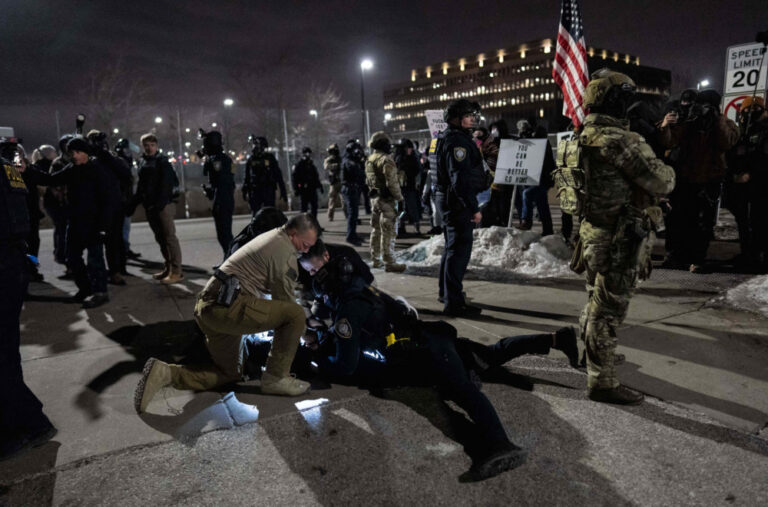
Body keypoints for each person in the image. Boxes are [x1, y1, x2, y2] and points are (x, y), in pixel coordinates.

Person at [303, 252, 579, 481]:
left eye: (324, 295)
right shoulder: (365, 289)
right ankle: (555, 339)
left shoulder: (349, 311)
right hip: (430, 338)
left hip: (426, 353)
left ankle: (500, 445)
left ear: (332, 290)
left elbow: (345, 365)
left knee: (464, 391)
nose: (322, 300)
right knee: (488, 355)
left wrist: (318, 357)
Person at [561, 68, 675, 404]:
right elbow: (663, 182)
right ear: (615, 101)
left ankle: (592, 357)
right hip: (619, 238)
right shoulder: (621, 140)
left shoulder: (579, 136)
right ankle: (603, 382)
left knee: (596, 300)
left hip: (592, 233)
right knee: (607, 311)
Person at [134, 213, 321, 413]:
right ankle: (276, 378)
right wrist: (306, 333)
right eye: (305, 244)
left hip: (210, 308)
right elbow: (286, 305)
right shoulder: (284, 251)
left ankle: (165, 374)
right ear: (293, 233)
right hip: (228, 307)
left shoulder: (273, 238)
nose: (306, 250)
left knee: (229, 372)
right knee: (295, 315)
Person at [0, 141, 57, 461]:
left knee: (3, 352)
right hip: (12, 264)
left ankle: (23, 425)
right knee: (5, 351)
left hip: (6, 266)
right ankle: (28, 419)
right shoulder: (8, 170)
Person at [659, 89, 739, 272]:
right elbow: (669, 142)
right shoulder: (691, 120)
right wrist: (667, 125)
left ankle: (697, 259)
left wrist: (716, 119)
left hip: (710, 180)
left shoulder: (726, 123)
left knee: (703, 224)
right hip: (686, 178)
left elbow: (726, 142)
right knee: (680, 219)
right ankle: (677, 256)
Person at [43, 137, 112, 308]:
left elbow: (107, 200)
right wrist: (26, 170)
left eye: (77, 152)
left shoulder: (97, 170)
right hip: (75, 221)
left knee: (95, 260)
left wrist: (103, 226)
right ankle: (86, 288)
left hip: (94, 222)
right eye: (71, 152)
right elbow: (52, 179)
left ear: (85, 153)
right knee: (72, 257)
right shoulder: (72, 169)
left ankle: (100, 292)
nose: (73, 156)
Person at [435, 99, 488, 316]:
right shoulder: (457, 141)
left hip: (450, 200)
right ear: (456, 119)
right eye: (467, 115)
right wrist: (473, 208)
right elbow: (460, 180)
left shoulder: (452, 137)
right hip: (457, 203)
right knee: (458, 252)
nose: (472, 119)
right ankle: (454, 303)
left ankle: (447, 294)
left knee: (451, 250)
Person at [128, 133, 183, 284]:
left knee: (169, 238)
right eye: (146, 145)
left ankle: (177, 271)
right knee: (160, 239)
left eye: (152, 145)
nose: (149, 147)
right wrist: (134, 204)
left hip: (163, 206)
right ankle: (168, 267)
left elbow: (167, 185)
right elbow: (142, 186)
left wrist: (160, 204)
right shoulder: (142, 161)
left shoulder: (162, 161)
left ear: (156, 146)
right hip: (151, 206)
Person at [725, 96, 768, 273]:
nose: (748, 114)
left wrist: (751, 173)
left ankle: (760, 256)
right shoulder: (745, 129)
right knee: (743, 221)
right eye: (745, 110)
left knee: (760, 221)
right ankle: (747, 253)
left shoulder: (765, 129)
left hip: (761, 183)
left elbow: (764, 158)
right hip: (742, 184)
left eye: (753, 109)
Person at [87, 130, 132, 286]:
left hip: (113, 206)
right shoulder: (89, 161)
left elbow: (126, 174)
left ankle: (117, 271)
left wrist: (104, 153)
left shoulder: (111, 159)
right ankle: (102, 272)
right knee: (98, 242)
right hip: (96, 207)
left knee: (115, 240)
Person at [365, 131, 406, 272]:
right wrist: (400, 199)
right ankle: (389, 262)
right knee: (388, 231)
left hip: (375, 199)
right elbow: (392, 183)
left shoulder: (370, 159)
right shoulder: (386, 160)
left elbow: (369, 181)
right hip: (387, 200)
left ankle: (375, 259)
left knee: (376, 230)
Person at [200, 129, 235, 258]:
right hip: (220, 198)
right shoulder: (218, 159)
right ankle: (228, 258)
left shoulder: (219, 160)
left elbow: (223, 182)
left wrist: (214, 192)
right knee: (222, 233)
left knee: (225, 233)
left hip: (223, 200)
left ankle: (232, 260)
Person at [24, 145, 55, 282]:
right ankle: (27, 269)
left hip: (31, 213)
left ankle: (31, 268)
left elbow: (44, 182)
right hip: (19, 216)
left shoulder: (30, 171)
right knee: (26, 245)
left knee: (33, 243)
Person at [45, 136, 72, 272]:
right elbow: (53, 183)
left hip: (75, 203)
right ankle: (64, 259)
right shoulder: (58, 163)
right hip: (61, 204)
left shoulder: (77, 159)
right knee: (62, 232)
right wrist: (61, 196)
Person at [243, 135, 287, 216]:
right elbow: (247, 177)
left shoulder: (270, 158)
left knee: (270, 214)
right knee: (256, 215)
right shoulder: (251, 159)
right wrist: (245, 190)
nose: (254, 147)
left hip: (268, 189)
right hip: (255, 190)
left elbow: (278, 174)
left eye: (256, 144)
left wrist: (283, 189)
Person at [115, 138, 141, 261]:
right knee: (122, 227)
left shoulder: (127, 163)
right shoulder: (119, 163)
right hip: (121, 200)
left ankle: (124, 248)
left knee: (125, 227)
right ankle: (123, 249)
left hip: (127, 198)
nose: (128, 152)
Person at [394, 138, 422, 235]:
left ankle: (416, 227)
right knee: (400, 209)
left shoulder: (412, 158)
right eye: (408, 148)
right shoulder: (398, 158)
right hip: (401, 187)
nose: (410, 150)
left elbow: (417, 170)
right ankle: (401, 227)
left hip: (409, 186)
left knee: (412, 207)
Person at [341, 139, 366, 245]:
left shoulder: (352, 160)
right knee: (352, 213)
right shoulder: (348, 161)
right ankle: (350, 236)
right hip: (349, 188)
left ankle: (353, 234)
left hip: (353, 188)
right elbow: (356, 171)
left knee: (355, 214)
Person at [292, 147, 323, 219]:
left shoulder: (311, 165)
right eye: (306, 153)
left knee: (314, 207)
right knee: (304, 209)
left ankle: (314, 224)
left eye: (309, 153)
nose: (308, 155)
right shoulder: (299, 165)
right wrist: (296, 189)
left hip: (312, 189)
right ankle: (303, 226)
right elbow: (294, 178)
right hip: (303, 189)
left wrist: (319, 186)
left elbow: (315, 177)